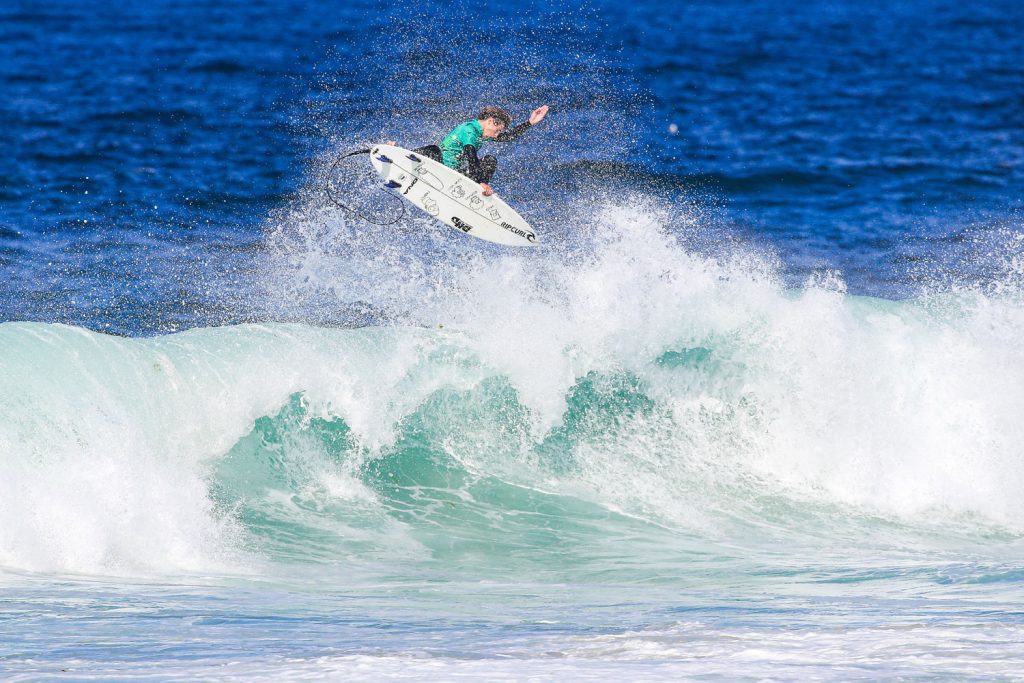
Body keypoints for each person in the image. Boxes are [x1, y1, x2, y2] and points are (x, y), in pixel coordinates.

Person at [393, 105, 549, 196]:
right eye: (497, 130)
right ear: (490, 122)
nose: (497, 135)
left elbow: (507, 137)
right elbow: (471, 154)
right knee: (433, 149)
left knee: (490, 160)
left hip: (453, 175)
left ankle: (481, 191)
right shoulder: (469, 130)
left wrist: (530, 122)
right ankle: (399, 156)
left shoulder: (483, 133)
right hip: (437, 166)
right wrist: (480, 180)